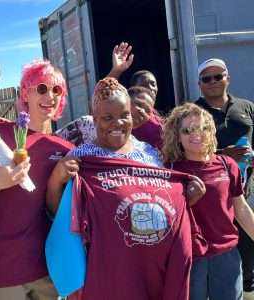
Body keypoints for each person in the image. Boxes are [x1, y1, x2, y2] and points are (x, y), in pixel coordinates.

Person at [46, 77, 194, 300]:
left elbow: (165, 202)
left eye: (124, 115)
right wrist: (55, 181)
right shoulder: (81, 159)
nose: (118, 123)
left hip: (153, 266)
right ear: (94, 119)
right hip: (109, 270)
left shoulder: (148, 153)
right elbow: (64, 217)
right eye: (108, 117)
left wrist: (188, 197)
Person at [0, 59, 75, 300]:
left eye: (56, 90)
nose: (50, 96)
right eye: (42, 88)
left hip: (48, 265)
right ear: (26, 93)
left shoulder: (66, 148)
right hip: (2, 264)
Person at [161, 102, 254, 300]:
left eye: (203, 128)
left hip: (226, 253)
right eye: (188, 130)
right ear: (177, 135)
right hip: (189, 256)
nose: (197, 134)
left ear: (211, 130)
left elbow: (241, 209)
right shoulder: (168, 170)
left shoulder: (227, 165)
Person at [195, 58, 254, 298]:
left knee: (248, 263)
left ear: (228, 78)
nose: (213, 82)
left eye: (218, 76)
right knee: (222, 263)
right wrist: (221, 155)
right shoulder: (193, 112)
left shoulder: (247, 107)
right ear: (199, 84)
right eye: (206, 79)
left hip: (246, 192)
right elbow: (183, 152)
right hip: (213, 201)